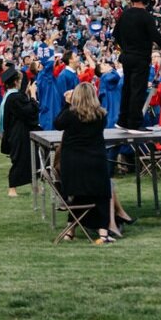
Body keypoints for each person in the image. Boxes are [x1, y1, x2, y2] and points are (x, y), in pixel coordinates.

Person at [54, 83, 114, 244]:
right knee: (101, 196)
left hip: (73, 165)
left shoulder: (70, 115)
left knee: (77, 195)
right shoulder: (101, 115)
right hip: (95, 162)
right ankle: (103, 233)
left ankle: (70, 231)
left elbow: (57, 124)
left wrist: (67, 103)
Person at [112, 0, 161, 132]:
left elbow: (116, 34)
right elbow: (155, 36)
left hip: (127, 57)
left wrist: (127, 47)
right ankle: (134, 123)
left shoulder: (125, 14)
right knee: (137, 90)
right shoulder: (145, 16)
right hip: (140, 58)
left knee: (127, 88)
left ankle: (123, 120)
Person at [0, 65, 39, 197]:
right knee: (20, 160)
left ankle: (34, 187)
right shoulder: (14, 97)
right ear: (16, 82)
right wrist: (33, 95)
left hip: (17, 132)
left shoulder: (10, 96)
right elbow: (29, 112)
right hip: (18, 133)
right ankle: (12, 188)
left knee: (30, 159)